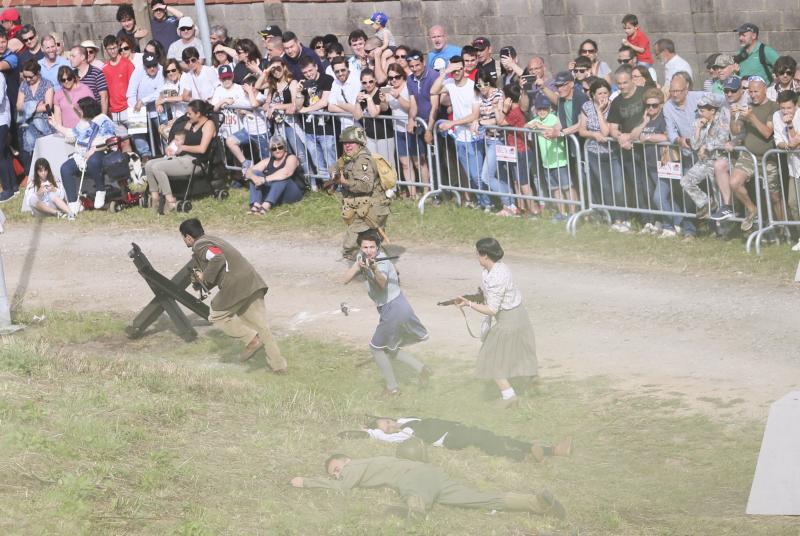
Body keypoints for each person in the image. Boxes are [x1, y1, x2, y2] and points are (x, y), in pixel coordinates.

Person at [290, 454, 566, 519]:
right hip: (434, 476)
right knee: (479, 499)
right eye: (335, 473)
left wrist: (306, 482)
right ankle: (538, 503)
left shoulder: (355, 466)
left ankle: (414, 509)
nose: (337, 474)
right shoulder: (366, 464)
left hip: (416, 476)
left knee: (413, 491)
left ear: (346, 460)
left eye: (336, 469)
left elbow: (342, 488)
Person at [179, 218, 288, 373]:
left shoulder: (200, 245)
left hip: (236, 284)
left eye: (183, 237)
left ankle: (251, 340)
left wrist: (203, 277)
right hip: (252, 280)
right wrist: (200, 281)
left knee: (216, 314)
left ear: (188, 237)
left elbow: (217, 258)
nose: (184, 241)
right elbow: (217, 267)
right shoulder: (214, 239)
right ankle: (278, 366)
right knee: (261, 327)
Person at [451, 238, 538, 407]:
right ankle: (532, 383)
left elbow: (492, 309)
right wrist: (472, 298)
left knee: (490, 358)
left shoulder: (498, 276)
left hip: (509, 321)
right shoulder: (494, 270)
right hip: (518, 316)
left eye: (477, 253)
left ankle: (510, 397)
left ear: (484, 255)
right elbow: (491, 296)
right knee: (518, 354)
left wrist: (469, 304)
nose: (476, 256)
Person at [342, 229, 430, 395]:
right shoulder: (362, 257)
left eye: (372, 247)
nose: (369, 250)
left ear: (378, 247)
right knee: (390, 348)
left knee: (376, 348)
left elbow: (381, 283)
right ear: (361, 247)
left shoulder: (382, 262)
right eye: (365, 247)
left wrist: (373, 268)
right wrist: (357, 266)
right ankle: (422, 369)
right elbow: (345, 279)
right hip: (394, 307)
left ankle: (392, 389)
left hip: (394, 308)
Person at [360, 416, 573, 462]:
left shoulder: (404, 420)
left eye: (386, 422)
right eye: (385, 429)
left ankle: (528, 453)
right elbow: (375, 434)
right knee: (485, 438)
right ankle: (545, 451)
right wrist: (370, 431)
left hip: (455, 428)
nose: (389, 427)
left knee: (492, 438)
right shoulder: (400, 435)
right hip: (448, 439)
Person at [719, 75, 777, 230]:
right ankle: (752, 210)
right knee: (734, 182)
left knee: (775, 197)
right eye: (750, 92)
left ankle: (785, 230)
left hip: (768, 158)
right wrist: (733, 115)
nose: (752, 95)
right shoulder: (748, 107)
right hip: (749, 156)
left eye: (756, 91)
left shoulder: (773, 107)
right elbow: (736, 130)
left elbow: (767, 133)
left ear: (765, 90)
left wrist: (751, 116)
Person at [328, 125, 390, 260]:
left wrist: (345, 182)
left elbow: (365, 186)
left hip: (372, 209)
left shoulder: (363, 161)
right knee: (369, 243)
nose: (347, 146)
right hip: (364, 208)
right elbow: (336, 165)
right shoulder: (348, 157)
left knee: (351, 246)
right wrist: (334, 173)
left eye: (351, 143)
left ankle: (377, 271)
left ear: (359, 144)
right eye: (344, 143)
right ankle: (379, 270)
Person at [145, 99, 218, 212]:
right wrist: (172, 146)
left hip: (195, 161)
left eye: (190, 113)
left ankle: (170, 201)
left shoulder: (209, 125)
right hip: (182, 158)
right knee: (149, 165)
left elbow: (202, 149)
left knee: (157, 167)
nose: (187, 116)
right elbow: (181, 138)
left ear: (198, 113)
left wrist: (183, 148)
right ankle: (155, 198)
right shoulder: (190, 123)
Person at [51, 96, 116, 210]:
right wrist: (56, 125)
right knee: (65, 168)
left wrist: (94, 149)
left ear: (87, 109)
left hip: (102, 152)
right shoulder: (83, 121)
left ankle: (101, 190)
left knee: (93, 160)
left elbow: (110, 141)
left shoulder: (103, 119)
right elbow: (72, 134)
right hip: (82, 155)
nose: (78, 111)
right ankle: (73, 203)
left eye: (80, 109)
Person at [629, 87, 679, 237]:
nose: (651, 108)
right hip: (650, 165)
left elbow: (668, 137)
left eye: (655, 105)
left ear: (661, 105)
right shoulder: (647, 118)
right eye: (648, 105)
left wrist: (649, 137)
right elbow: (633, 136)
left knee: (659, 197)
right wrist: (644, 123)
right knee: (662, 198)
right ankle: (680, 223)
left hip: (665, 164)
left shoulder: (664, 118)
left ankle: (670, 227)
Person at [679, 93, 730, 221]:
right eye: (699, 110)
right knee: (686, 181)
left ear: (712, 110)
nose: (700, 113)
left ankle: (723, 231)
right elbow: (695, 145)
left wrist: (706, 146)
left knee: (719, 194)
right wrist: (697, 129)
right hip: (704, 162)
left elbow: (723, 140)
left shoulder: (722, 120)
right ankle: (706, 203)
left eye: (703, 110)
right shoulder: (699, 121)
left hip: (718, 161)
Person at [528, 93, 573, 220]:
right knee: (555, 189)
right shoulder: (536, 119)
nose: (542, 111)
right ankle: (562, 213)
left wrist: (541, 126)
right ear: (536, 110)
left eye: (544, 108)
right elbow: (525, 125)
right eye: (539, 109)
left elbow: (556, 128)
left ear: (549, 109)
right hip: (547, 162)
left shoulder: (553, 117)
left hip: (560, 161)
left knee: (567, 188)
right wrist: (530, 125)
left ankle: (572, 212)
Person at [294, 56, 335, 179]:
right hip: (309, 129)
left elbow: (324, 102)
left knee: (330, 158)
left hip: (325, 128)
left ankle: (337, 186)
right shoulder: (303, 82)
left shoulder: (327, 79)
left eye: (310, 70)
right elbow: (297, 107)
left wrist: (305, 110)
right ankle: (326, 184)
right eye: (305, 72)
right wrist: (298, 93)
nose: (308, 74)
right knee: (317, 160)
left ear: (316, 67)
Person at [244, 134, 305, 214]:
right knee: (256, 173)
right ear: (270, 150)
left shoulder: (291, 158)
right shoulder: (268, 160)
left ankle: (266, 206)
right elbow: (248, 171)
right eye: (274, 148)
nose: (277, 150)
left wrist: (264, 179)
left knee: (281, 177)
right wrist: (254, 177)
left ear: (285, 147)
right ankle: (256, 204)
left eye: (280, 147)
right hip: (277, 193)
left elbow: (286, 173)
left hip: (294, 193)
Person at [772, 90, 800, 250]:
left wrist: (789, 126)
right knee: (793, 203)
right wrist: (788, 145)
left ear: (796, 105)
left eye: (789, 108)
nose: (785, 112)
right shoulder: (777, 116)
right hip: (794, 169)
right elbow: (779, 142)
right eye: (783, 108)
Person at [16, 59, 54, 171]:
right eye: (25, 76)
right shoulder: (23, 85)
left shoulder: (47, 84)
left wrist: (28, 106)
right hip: (28, 126)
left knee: (47, 154)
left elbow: (48, 106)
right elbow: (18, 106)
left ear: (38, 73)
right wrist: (37, 105)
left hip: (45, 125)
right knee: (33, 155)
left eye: (30, 77)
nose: (27, 79)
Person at [355, 68, 394, 164]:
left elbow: (373, 113)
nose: (368, 85)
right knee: (373, 165)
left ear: (375, 80)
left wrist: (368, 98)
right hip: (370, 136)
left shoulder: (380, 93)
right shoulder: (362, 93)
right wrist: (356, 101)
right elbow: (357, 116)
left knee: (387, 165)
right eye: (364, 83)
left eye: (370, 81)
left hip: (384, 136)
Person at [102, 35, 136, 137]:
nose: (112, 51)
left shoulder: (127, 64)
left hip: (130, 108)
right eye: (109, 49)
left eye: (114, 48)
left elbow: (135, 86)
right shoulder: (104, 68)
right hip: (115, 112)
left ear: (118, 47)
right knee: (124, 143)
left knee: (140, 141)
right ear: (106, 50)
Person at [52, 65, 95, 130]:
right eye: (63, 80)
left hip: (85, 129)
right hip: (68, 132)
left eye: (69, 78)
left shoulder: (85, 89)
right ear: (60, 81)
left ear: (73, 77)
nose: (66, 81)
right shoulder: (58, 94)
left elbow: (93, 110)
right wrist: (60, 131)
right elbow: (57, 115)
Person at [70, 45, 109, 115]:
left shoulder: (97, 73)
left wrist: (103, 119)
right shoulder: (72, 75)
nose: (70, 58)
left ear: (82, 57)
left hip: (95, 116)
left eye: (73, 56)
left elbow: (104, 98)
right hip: (78, 118)